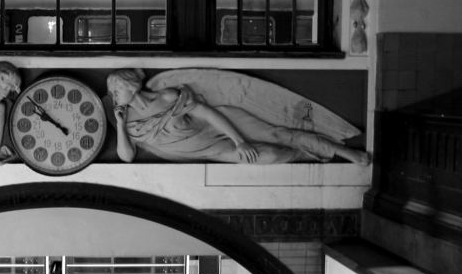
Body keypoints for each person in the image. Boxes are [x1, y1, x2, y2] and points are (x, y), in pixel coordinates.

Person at [106, 68, 371, 165]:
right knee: (272, 155)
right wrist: (119, 122)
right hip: (212, 150)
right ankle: (307, 154)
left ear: (127, 85)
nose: (115, 98)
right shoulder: (129, 125)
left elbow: (207, 113)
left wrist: (239, 141)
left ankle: (344, 152)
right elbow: (127, 157)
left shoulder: (167, 95)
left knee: (280, 134)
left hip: (226, 125)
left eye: (115, 91)